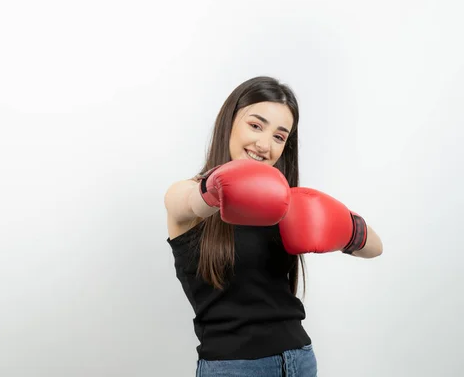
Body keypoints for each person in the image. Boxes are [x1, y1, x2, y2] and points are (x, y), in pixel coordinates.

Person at [164, 76, 383, 377]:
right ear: (229, 122)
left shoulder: (286, 204)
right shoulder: (185, 194)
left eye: (279, 137)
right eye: (256, 125)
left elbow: (375, 247)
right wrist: (217, 189)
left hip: (300, 360)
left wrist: (344, 225)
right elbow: (187, 202)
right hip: (233, 367)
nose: (264, 144)